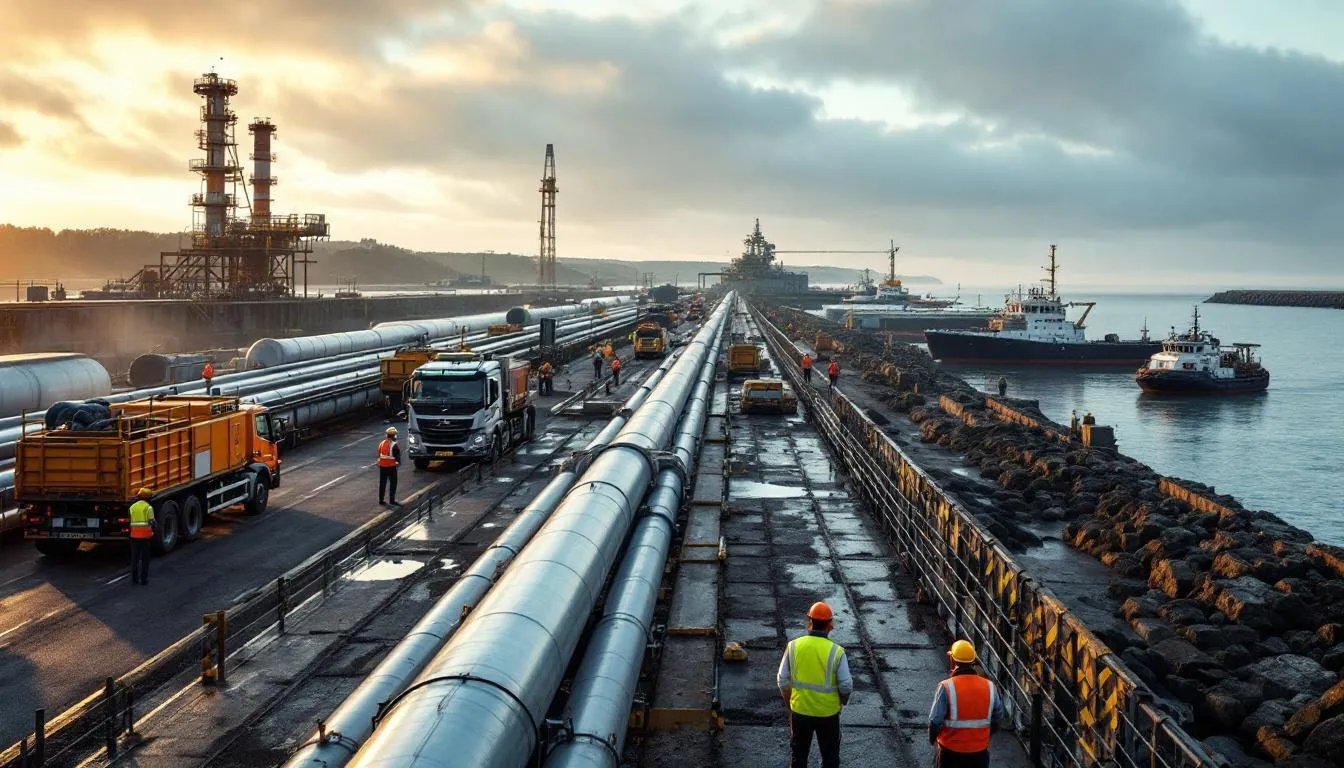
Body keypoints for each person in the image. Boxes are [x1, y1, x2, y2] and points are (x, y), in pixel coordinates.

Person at [777, 601, 853, 768]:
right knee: (830, 758)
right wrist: (842, 701)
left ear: (809, 622)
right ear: (830, 626)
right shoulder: (837, 652)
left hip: (800, 712)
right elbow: (846, 685)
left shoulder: (793, 646)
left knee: (799, 756)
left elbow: (782, 679)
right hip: (828, 714)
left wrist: (790, 702)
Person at [928, 640, 1005, 768]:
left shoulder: (946, 687)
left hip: (950, 754)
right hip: (979, 754)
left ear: (952, 660)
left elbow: (935, 722)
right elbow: (998, 717)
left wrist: (933, 740)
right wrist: (983, 736)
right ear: (973, 661)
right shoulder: (990, 687)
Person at [128, 488, 156, 585]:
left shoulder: (132, 507)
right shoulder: (148, 508)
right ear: (147, 498)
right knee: (145, 559)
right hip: (145, 537)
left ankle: (134, 579)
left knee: (135, 558)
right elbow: (152, 522)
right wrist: (156, 529)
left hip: (134, 536)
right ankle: (143, 579)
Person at [378, 426, 401, 506]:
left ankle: (381, 500)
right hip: (391, 467)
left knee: (382, 483)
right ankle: (392, 500)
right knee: (393, 483)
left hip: (382, 467)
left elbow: (379, 454)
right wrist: (398, 463)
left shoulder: (382, 443)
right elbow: (397, 456)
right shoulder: (394, 445)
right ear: (393, 435)